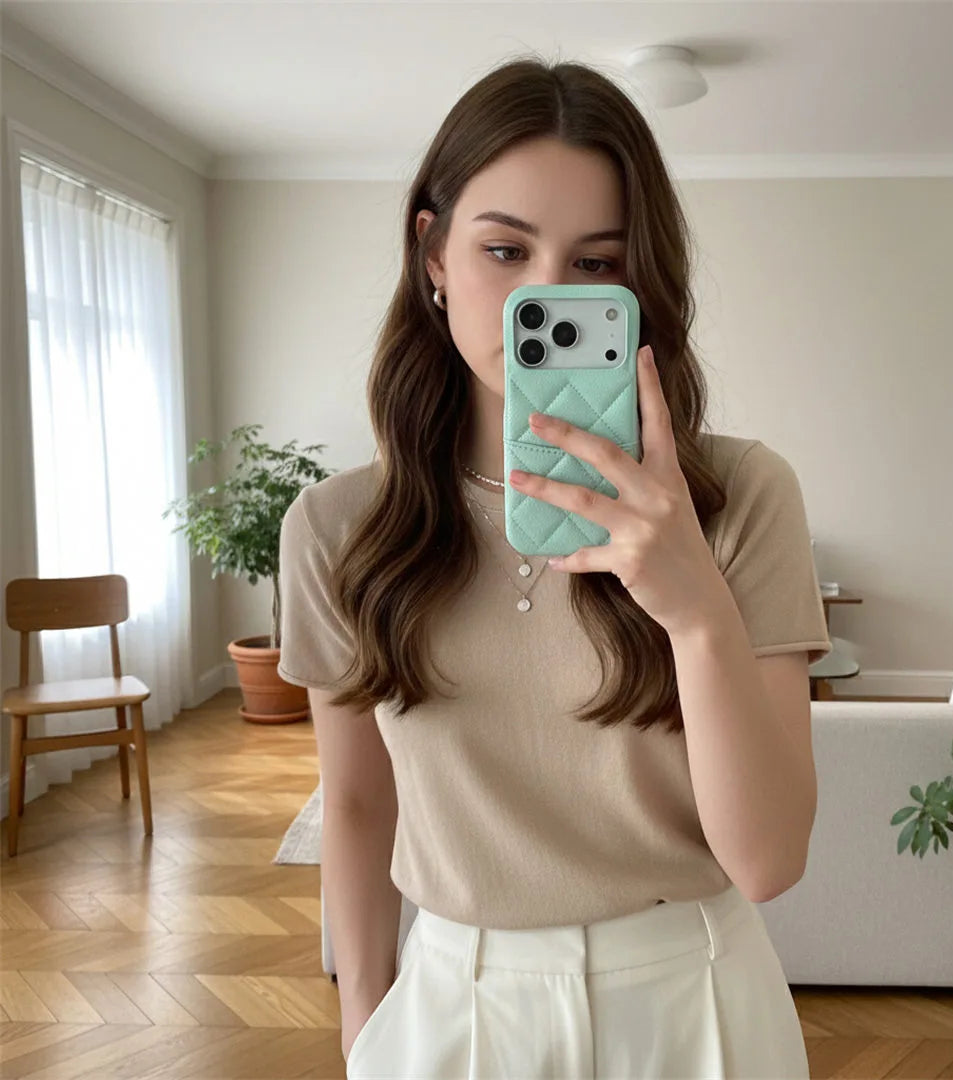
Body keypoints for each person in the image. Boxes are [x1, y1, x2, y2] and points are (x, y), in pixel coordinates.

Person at [277, 52, 832, 1080]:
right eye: (504, 249)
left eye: (594, 264)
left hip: (694, 996)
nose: (545, 300)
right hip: (453, 1001)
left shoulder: (743, 496)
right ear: (432, 254)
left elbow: (768, 861)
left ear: (639, 282)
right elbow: (356, 804)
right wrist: (363, 1021)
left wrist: (696, 610)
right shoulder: (337, 527)